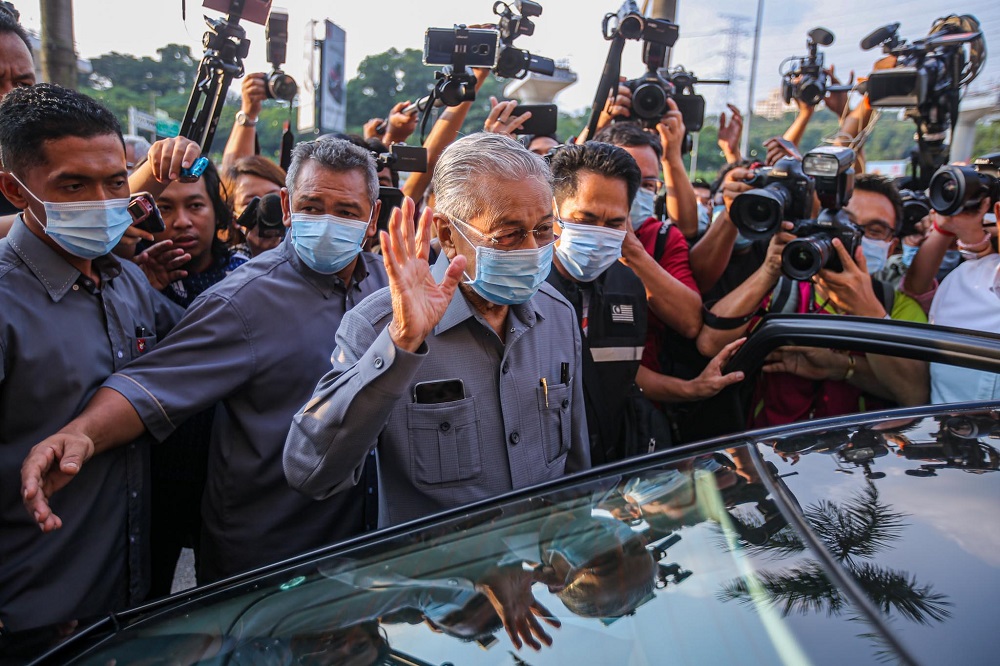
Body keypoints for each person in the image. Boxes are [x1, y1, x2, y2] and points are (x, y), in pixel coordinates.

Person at [21, 137, 389, 587]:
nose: (328, 223)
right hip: (269, 558)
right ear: (287, 208)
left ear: (371, 219)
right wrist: (79, 434)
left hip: (366, 550)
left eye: (347, 212)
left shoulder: (391, 285)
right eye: (313, 207)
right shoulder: (244, 300)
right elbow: (152, 385)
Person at [284, 132, 590, 526]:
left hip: (540, 574)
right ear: (447, 235)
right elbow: (309, 471)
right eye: (509, 234)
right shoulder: (379, 326)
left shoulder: (558, 315)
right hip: (442, 583)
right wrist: (401, 343)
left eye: (544, 230)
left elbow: (577, 469)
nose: (532, 249)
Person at [0, 84, 188, 631]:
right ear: (14, 189)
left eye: (115, 183)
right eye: (74, 186)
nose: (103, 204)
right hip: (27, 616)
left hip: (122, 604)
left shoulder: (127, 279)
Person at [545, 142, 744, 463]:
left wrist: (692, 388)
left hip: (604, 465)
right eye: (585, 218)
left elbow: (624, 373)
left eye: (614, 224)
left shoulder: (629, 286)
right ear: (552, 213)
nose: (600, 234)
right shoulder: (522, 289)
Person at [698, 173, 929, 426]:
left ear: (892, 245)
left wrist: (866, 317)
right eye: (846, 224)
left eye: (874, 230)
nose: (855, 238)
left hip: (862, 456)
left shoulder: (896, 306)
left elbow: (915, 395)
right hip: (770, 452)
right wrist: (769, 270)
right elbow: (710, 345)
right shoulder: (784, 288)